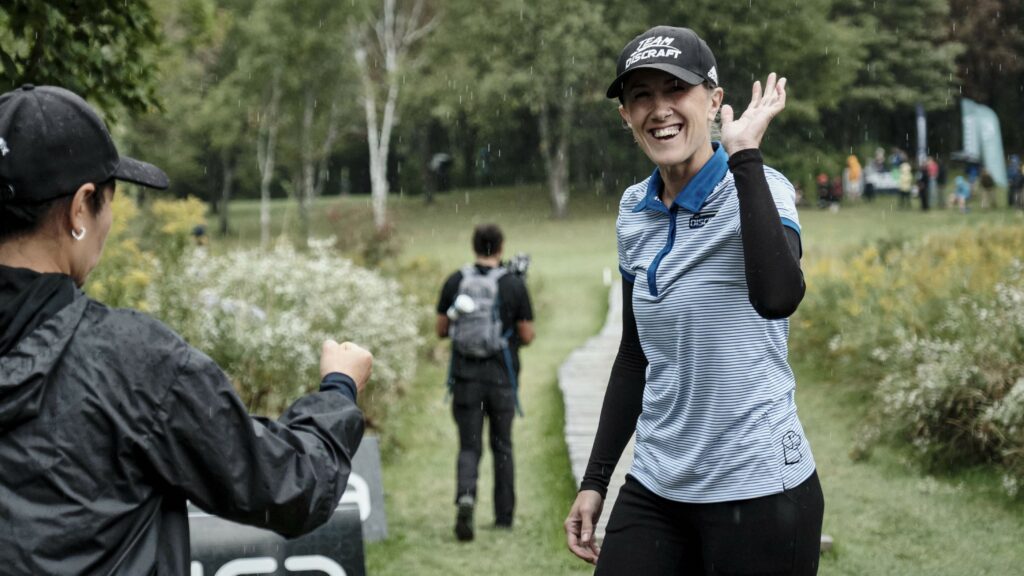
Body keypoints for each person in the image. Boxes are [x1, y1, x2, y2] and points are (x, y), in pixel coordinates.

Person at [0, 85, 372, 574]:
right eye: (108, 201)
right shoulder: (132, 361)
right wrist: (339, 390)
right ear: (79, 208)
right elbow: (289, 487)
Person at [564, 26, 823, 575]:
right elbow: (636, 355)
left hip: (759, 490)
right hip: (658, 485)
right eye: (641, 96)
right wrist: (595, 480)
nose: (659, 109)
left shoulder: (763, 187)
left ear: (714, 101)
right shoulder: (634, 210)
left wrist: (744, 156)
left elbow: (779, 296)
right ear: (625, 117)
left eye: (675, 90)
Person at [436, 223, 535, 541]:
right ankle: (504, 516)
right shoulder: (513, 284)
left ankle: (466, 498)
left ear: (474, 245)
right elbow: (527, 334)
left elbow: (440, 329)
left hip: (466, 378)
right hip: (502, 379)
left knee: (469, 446)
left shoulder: (456, 280)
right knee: (502, 445)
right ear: (502, 247)